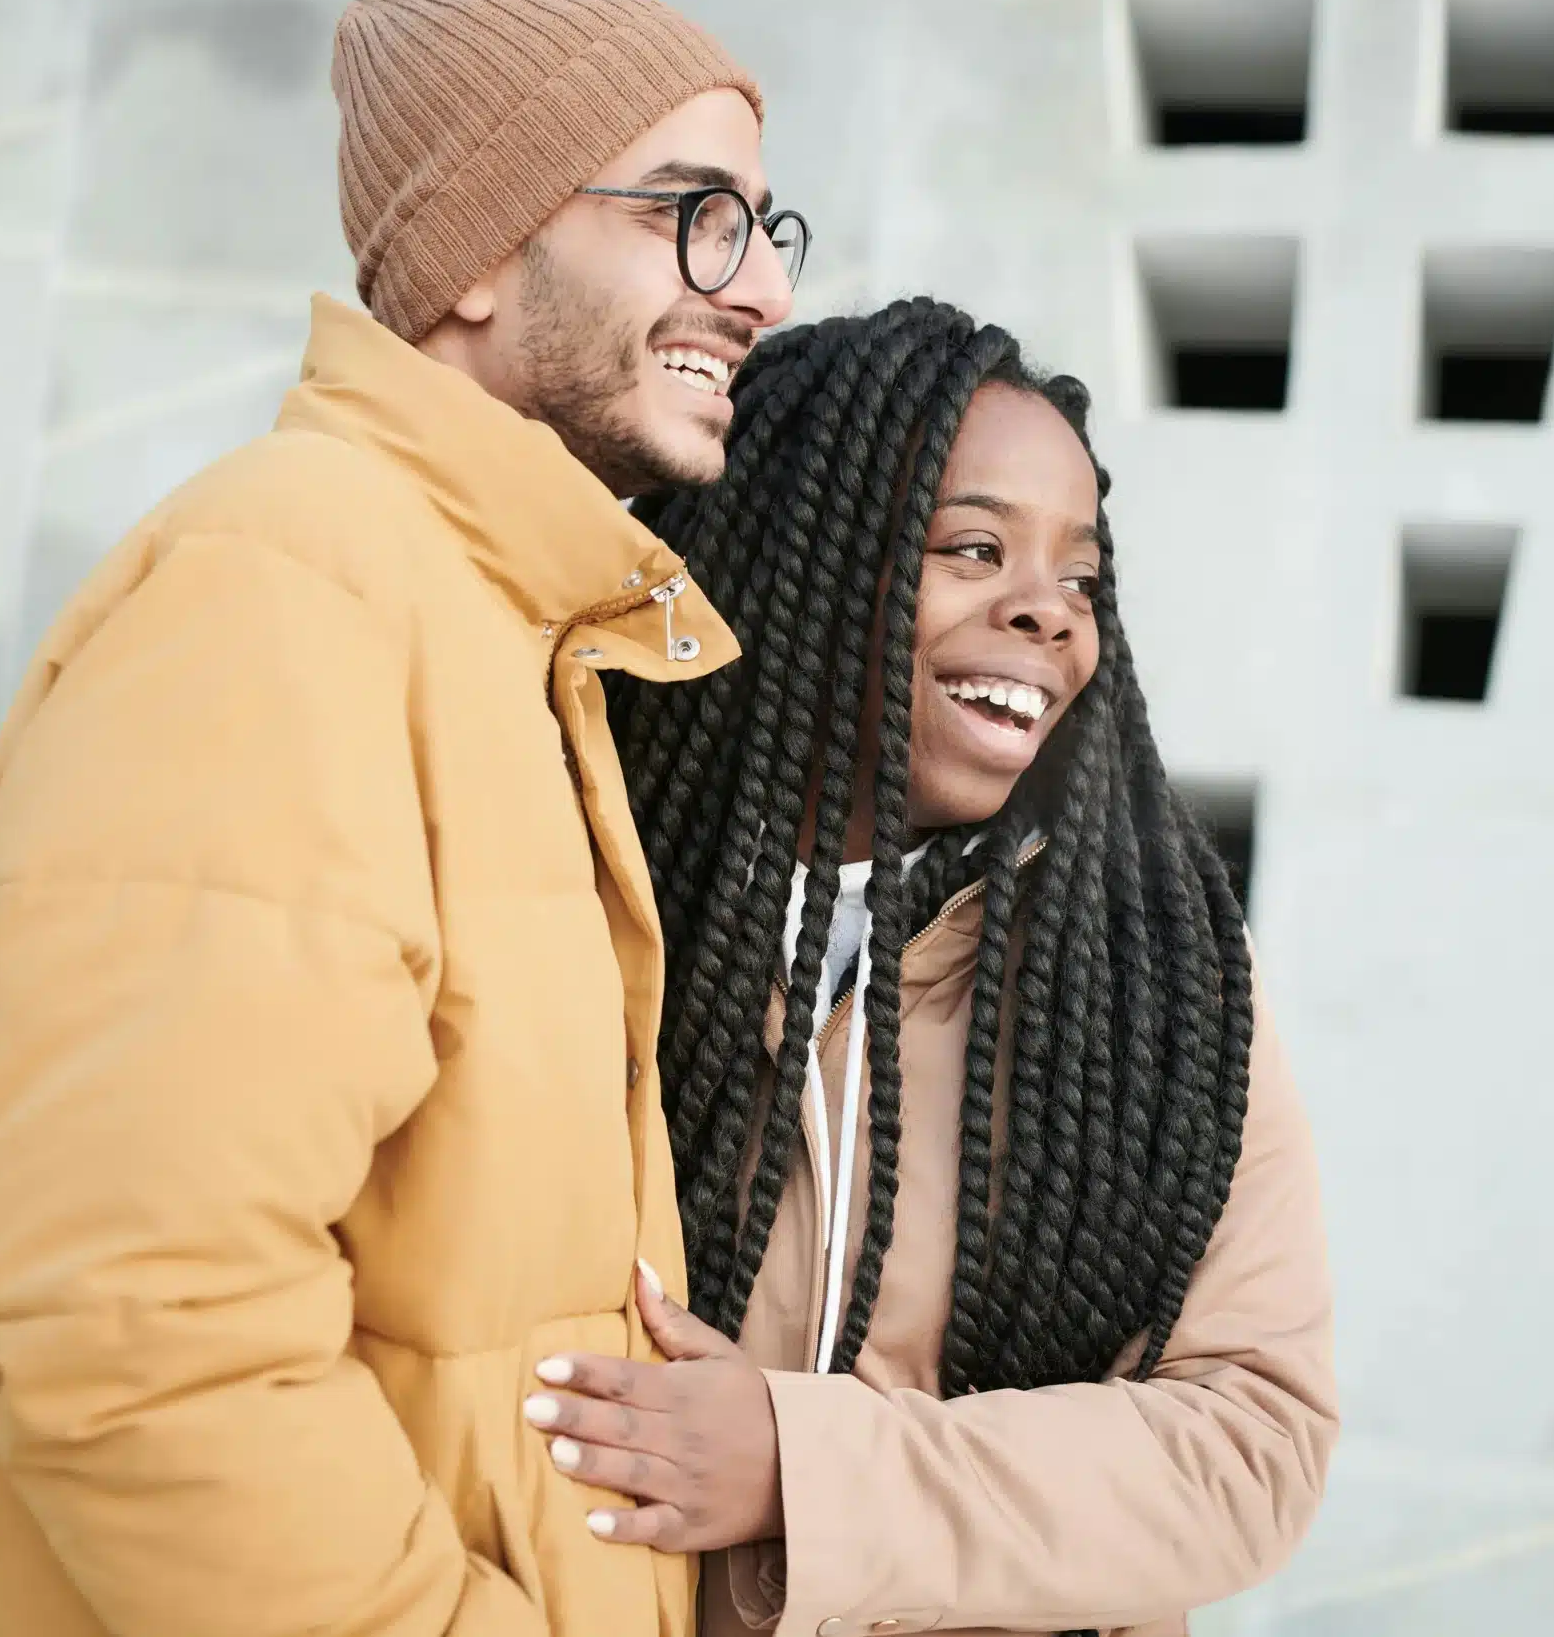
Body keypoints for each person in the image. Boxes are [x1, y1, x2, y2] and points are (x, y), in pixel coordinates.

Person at [0, 0, 801, 1637]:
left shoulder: (504, 632)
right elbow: (130, 1313)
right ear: (476, 252)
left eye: (766, 227)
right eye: (693, 214)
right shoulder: (285, 589)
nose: (754, 288)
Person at [522, 300, 1338, 1637]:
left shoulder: (1157, 980)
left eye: (1081, 577)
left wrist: (806, 1464)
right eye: (973, 546)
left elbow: (1251, 1444)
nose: (1047, 614)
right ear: (806, 561)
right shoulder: (581, 900)